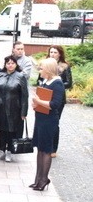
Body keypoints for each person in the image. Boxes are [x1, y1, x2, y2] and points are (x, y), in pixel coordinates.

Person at [30, 58, 65, 191]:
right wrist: (36, 104)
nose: (40, 71)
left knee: (46, 150)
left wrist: (38, 101)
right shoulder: (46, 81)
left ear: (48, 69)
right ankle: (38, 179)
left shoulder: (57, 84)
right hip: (41, 118)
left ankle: (44, 179)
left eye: (42, 68)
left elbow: (55, 104)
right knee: (40, 149)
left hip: (49, 121)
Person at [0, 56, 28, 163]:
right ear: (5, 65)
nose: (10, 65)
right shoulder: (0, 75)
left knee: (12, 131)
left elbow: (24, 96)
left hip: (14, 109)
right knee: (2, 130)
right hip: (0, 108)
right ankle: (1, 150)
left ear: (16, 64)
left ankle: (10, 151)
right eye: (8, 63)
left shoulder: (21, 77)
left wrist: (24, 112)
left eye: (12, 63)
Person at [40, 45, 72, 157]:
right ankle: (44, 144)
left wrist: (56, 84)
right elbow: (40, 79)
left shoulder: (64, 66)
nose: (52, 54)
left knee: (54, 122)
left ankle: (53, 148)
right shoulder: (45, 64)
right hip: (45, 96)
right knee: (44, 121)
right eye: (51, 52)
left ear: (60, 54)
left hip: (58, 98)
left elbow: (69, 83)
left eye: (55, 52)